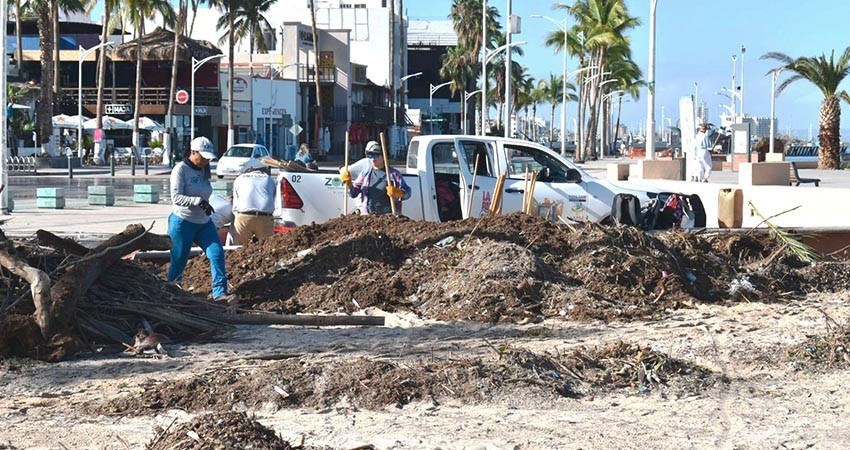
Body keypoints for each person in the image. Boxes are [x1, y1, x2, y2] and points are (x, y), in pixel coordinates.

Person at [168, 136, 232, 302]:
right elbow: (176, 197)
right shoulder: (180, 170)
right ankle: (171, 293)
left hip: (204, 223)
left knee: (216, 253)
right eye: (202, 157)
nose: (205, 161)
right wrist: (196, 201)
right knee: (179, 259)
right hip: (183, 222)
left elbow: (205, 190)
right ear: (193, 152)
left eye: (207, 158)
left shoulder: (204, 169)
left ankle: (220, 293)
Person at [341, 140, 411, 215]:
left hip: (389, 218)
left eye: (376, 155)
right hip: (368, 217)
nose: (373, 159)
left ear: (383, 156)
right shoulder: (365, 173)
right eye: (370, 155)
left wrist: (399, 193)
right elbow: (353, 193)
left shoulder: (394, 174)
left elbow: (408, 192)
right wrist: (349, 184)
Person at [231, 165, 277, 245]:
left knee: (240, 249)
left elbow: (236, 198)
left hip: (243, 216)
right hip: (265, 217)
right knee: (266, 247)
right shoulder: (269, 179)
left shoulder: (240, 178)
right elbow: (273, 196)